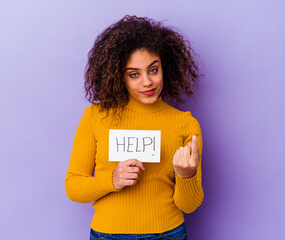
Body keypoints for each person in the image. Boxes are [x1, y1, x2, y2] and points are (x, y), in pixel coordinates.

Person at [65, 15, 204, 240]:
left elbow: (189, 205)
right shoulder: (95, 117)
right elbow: (73, 186)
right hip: (108, 234)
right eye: (134, 74)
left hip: (167, 234)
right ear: (119, 77)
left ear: (164, 68)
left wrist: (186, 175)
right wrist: (112, 180)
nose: (147, 82)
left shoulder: (185, 123)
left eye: (153, 70)